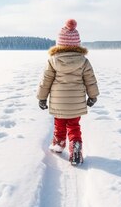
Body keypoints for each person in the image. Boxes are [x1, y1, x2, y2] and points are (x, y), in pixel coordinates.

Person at [37, 19, 99, 165]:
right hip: (76, 102)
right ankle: (76, 148)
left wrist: (42, 98)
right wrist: (93, 96)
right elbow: (90, 79)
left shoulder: (53, 60)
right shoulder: (83, 61)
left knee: (59, 124)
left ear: (60, 43)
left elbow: (46, 80)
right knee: (74, 126)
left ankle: (58, 145)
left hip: (59, 101)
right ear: (77, 44)